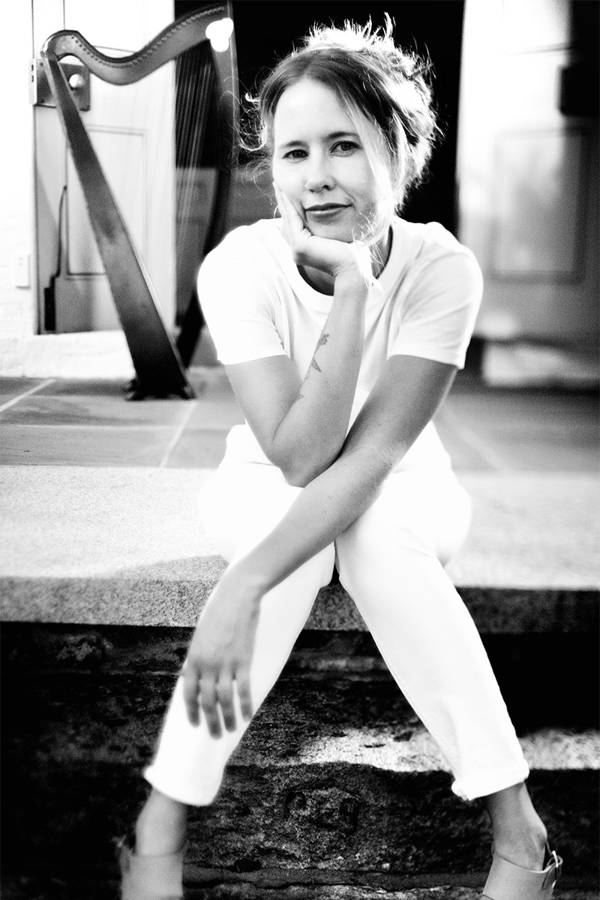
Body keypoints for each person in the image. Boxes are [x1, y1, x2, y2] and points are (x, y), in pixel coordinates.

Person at [120, 17, 562, 900]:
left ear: (399, 151)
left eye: (343, 146)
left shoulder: (444, 267)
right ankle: (162, 821)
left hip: (406, 481)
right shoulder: (239, 266)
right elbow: (295, 456)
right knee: (298, 547)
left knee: (370, 537)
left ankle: (515, 825)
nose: (315, 177)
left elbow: (375, 455)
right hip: (262, 478)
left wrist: (238, 585)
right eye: (292, 153)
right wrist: (351, 296)